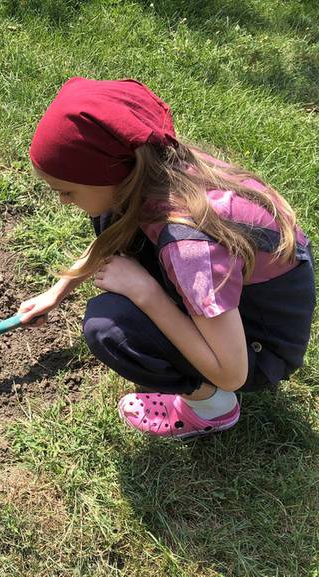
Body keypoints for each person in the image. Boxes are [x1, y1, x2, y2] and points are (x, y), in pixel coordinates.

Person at [17, 77, 316, 439]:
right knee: (109, 215)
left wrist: (147, 293)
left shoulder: (187, 245)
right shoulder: (153, 165)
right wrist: (58, 291)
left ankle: (213, 408)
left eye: (67, 191)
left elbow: (231, 372)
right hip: (247, 297)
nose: (63, 201)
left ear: (111, 175)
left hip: (259, 346)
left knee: (109, 326)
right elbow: (117, 232)